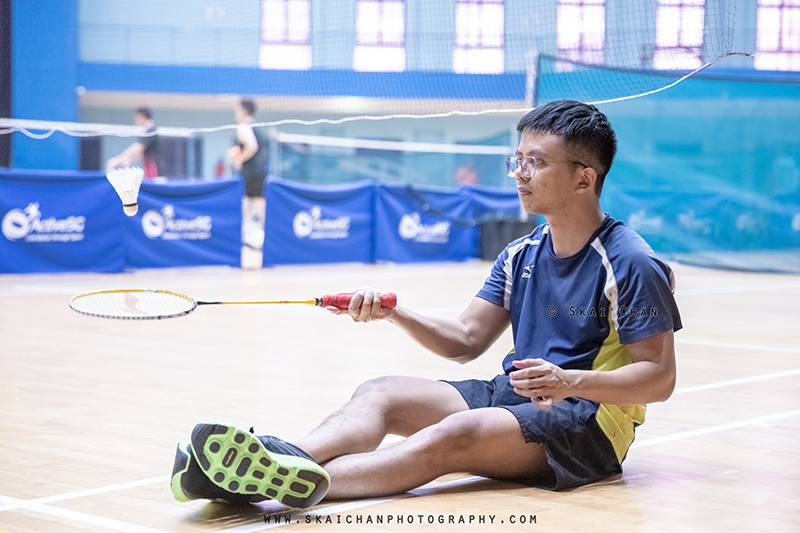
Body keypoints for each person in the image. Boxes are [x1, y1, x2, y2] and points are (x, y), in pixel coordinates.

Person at [170, 100, 682, 509]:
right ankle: (283, 462)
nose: (520, 173)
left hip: (589, 422)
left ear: (583, 177)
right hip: (519, 394)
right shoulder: (521, 254)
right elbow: (465, 341)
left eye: (536, 162)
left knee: (454, 433)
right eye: (518, 160)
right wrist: (396, 313)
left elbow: (658, 378)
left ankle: (266, 484)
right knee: (382, 392)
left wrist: (568, 380)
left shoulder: (630, 262)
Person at [228, 99, 268, 250]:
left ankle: (243, 241)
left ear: (243, 110)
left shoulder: (243, 127)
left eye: (237, 109)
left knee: (244, 205)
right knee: (259, 206)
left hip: (249, 173)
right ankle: (261, 241)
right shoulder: (257, 127)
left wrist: (239, 159)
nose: (236, 113)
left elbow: (252, 147)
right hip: (260, 171)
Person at [106, 107, 160, 178]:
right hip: (149, 170)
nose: (135, 120)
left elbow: (139, 147)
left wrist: (118, 159)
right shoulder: (147, 131)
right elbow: (141, 151)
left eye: (136, 117)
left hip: (156, 171)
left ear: (142, 116)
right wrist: (128, 158)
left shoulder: (151, 131)